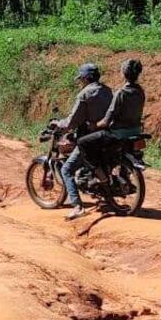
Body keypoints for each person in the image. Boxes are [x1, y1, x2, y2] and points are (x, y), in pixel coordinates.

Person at [53, 64, 112, 221]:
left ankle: (77, 207)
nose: (81, 82)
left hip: (90, 137)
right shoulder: (107, 91)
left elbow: (72, 121)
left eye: (81, 79)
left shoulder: (85, 94)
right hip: (107, 135)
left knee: (66, 169)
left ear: (86, 78)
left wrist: (59, 124)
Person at [77, 59, 145, 192]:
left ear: (123, 73)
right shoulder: (140, 92)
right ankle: (123, 175)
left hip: (117, 133)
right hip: (135, 131)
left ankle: (102, 178)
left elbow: (107, 120)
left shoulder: (121, 93)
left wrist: (94, 125)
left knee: (83, 142)